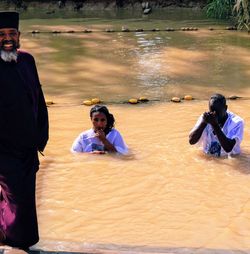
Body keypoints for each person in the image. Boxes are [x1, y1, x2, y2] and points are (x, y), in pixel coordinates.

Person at [0, 12, 49, 249]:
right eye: (1, 35)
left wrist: (41, 136)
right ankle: (18, 243)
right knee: (18, 199)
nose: (7, 38)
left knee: (23, 197)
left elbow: (38, 98)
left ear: (19, 36)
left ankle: (7, 235)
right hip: (3, 148)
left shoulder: (28, 60)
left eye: (11, 34)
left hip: (28, 146)